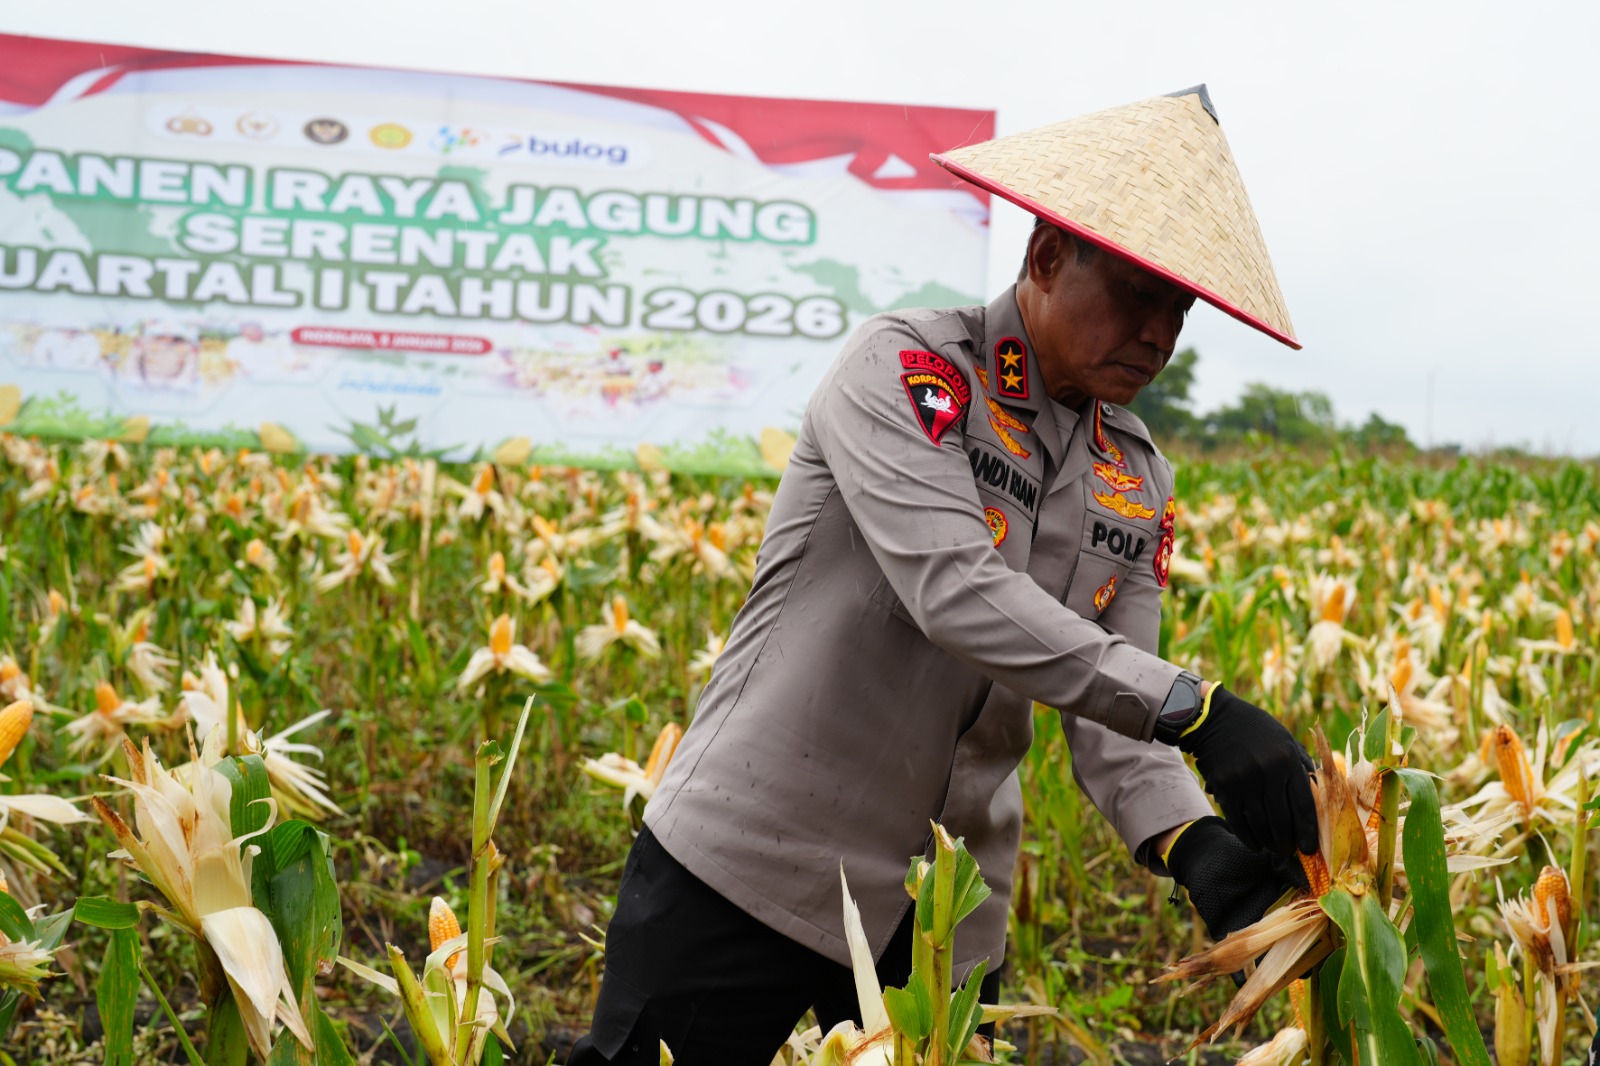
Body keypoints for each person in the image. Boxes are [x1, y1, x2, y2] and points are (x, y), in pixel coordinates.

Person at [569, 85, 1314, 1066]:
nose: (1159, 335)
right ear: (1046, 256)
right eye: (1138, 294)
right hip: (748, 864)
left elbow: (1111, 703)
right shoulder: (912, 371)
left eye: (1178, 308)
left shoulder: (1135, 474)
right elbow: (954, 590)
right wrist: (1198, 710)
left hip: (943, 918)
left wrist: (1190, 842)